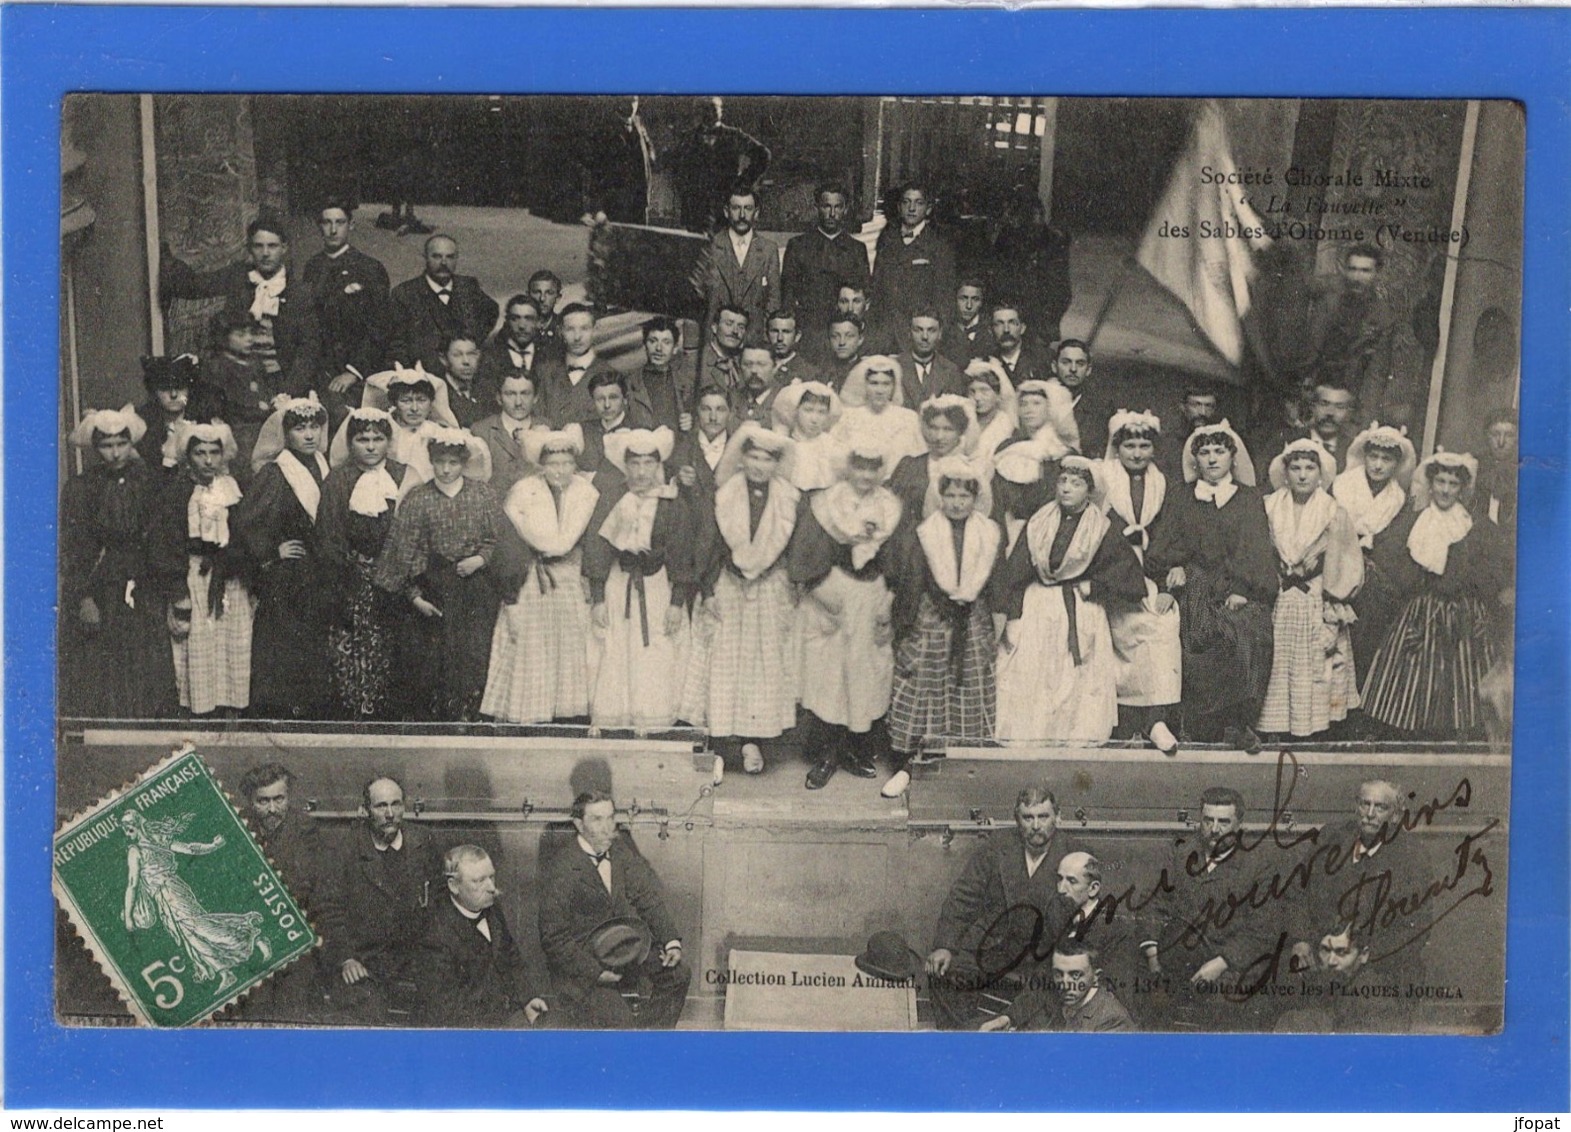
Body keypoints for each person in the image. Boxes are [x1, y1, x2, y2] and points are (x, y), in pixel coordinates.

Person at [1360, 451, 1512, 739]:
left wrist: (1472, 584)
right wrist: (1417, 582)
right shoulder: (1414, 521)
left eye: (1452, 484)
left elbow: (1494, 565)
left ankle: (1459, 733)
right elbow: (1388, 555)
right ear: (1430, 484)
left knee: (1464, 671)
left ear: (1462, 488)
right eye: (1440, 481)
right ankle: (1410, 733)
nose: (1444, 489)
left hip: (1465, 609)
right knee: (1414, 667)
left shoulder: (1475, 525)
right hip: (1423, 607)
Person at [1145, 421, 1277, 752]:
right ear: (1195, 460)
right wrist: (1172, 568)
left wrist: (1244, 589)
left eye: (1220, 451)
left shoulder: (1248, 499)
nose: (1212, 459)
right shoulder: (1182, 496)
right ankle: (1197, 726)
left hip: (1238, 585)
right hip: (1196, 582)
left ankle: (1236, 724)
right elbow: (1163, 544)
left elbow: (1257, 550)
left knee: (1244, 629)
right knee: (1196, 633)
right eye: (1204, 453)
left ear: (1233, 457)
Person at [994, 456, 1146, 741]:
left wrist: (1096, 586)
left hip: (1080, 607)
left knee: (1077, 679)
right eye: (1063, 481)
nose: (1066, 489)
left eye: (1076, 484)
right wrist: (1012, 614)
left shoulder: (1101, 527)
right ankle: (1034, 736)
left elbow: (1132, 581)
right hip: (1039, 605)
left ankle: (1074, 737)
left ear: (1090, 491)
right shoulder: (1040, 521)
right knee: (1034, 675)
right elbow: (1015, 572)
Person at [680, 424, 801, 774]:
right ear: (742, 458)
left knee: (762, 666)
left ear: (776, 463)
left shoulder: (789, 497)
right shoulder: (724, 495)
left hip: (770, 587)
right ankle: (721, 745)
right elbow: (708, 545)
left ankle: (754, 741)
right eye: (753, 457)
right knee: (724, 663)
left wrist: (791, 585)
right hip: (729, 585)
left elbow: (793, 550)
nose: (759, 465)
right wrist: (708, 590)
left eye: (767, 459)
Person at [885, 455, 1003, 797]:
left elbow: (997, 583)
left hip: (972, 618)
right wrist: (906, 626)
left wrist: (996, 622)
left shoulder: (987, 532)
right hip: (932, 616)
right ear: (940, 496)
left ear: (975, 498)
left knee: (969, 684)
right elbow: (911, 580)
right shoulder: (926, 532)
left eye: (963, 497)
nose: (956, 503)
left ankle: (964, 766)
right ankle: (912, 765)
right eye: (950, 496)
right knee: (925, 684)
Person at [789, 447, 903, 789]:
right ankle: (826, 753)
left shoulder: (891, 506)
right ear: (848, 468)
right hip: (832, 592)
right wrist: (819, 590)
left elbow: (900, 555)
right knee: (830, 676)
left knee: (865, 675)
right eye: (860, 468)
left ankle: (852, 749)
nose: (866, 477)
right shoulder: (827, 503)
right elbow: (806, 550)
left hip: (872, 594)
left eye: (873, 469)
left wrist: (891, 600)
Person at [925, 785, 1082, 1030]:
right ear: (1016, 819)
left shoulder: (1074, 855)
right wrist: (945, 944)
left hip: (1042, 957)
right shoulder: (997, 846)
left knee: (1041, 1013)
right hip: (992, 946)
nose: (1036, 825)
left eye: (1043, 816)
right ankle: (966, 1039)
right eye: (1028, 818)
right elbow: (964, 897)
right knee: (942, 975)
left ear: (1058, 817)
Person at [372, 428, 499, 721]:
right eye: (440, 462)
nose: (446, 469)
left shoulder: (483, 494)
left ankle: (469, 714)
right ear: (431, 461)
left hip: (474, 586)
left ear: (463, 463)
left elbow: (494, 538)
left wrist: (479, 560)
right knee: (430, 657)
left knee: (472, 652)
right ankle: (434, 720)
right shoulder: (419, 498)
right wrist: (415, 596)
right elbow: (405, 552)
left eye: (453, 463)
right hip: (433, 585)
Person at [537, 791, 691, 1029]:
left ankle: (649, 1042)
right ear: (579, 824)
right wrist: (595, 973)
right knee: (621, 1024)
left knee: (678, 976)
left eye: (611, 818)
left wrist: (670, 940)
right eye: (597, 820)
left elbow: (646, 897)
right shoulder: (561, 868)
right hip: (582, 967)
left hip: (621, 950)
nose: (608, 827)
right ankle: (632, 1045)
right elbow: (554, 940)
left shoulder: (619, 851)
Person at [62, 406, 178, 718]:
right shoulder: (82, 488)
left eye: (121, 444)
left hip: (145, 578)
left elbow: (162, 535)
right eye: (106, 446)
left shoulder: (148, 483)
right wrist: (84, 597)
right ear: (94, 448)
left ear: (131, 444)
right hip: (104, 580)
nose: (114, 453)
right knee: (106, 659)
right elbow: (75, 548)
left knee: (147, 657)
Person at [1140, 786, 1284, 1031]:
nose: (1214, 829)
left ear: (1239, 824)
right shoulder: (1179, 852)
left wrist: (1222, 963)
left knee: (1226, 1008)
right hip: (1174, 959)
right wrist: (1153, 958)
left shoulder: (1259, 865)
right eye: (1208, 820)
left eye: (1224, 822)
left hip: (1227, 963)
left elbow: (1262, 930)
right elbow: (1153, 903)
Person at [481, 430, 600, 725]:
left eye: (566, 464)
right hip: (534, 576)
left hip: (570, 574)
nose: (560, 471)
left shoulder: (586, 492)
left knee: (571, 643)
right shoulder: (523, 492)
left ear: (575, 465)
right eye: (553, 464)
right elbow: (511, 543)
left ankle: (568, 714)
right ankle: (531, 714)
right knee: (532, 645)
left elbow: (590, 542)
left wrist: (587, 576)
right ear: (541, 465)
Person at [585, 429, 696, 730]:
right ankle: (617, 720)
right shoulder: (614, 500)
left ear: (658, 466)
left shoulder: (672, 503)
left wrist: (676, 603)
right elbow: (598, 549)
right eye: (635, 464)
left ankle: (652, 721)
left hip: (658, 585)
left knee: (655, 652)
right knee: (617, 648)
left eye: (648, 463)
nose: (642, 471)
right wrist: (597, 598)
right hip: (619, 585)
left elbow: (682, 553)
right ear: (625, 466)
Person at [1257, 438, 1364, 740]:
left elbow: (1347, 560)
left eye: (1309, 468)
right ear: (1285, 472)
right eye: (1295, 468)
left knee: (1318, 662)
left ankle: (1313, 727)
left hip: (1316, 594)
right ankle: (1277, 726)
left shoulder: (1333, 511)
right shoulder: (1269, 506)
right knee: (1278, 660)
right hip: (1279, 595)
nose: (1302, 475)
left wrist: (1333, 597)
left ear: (1320, 474)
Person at [148, 420, 254, 717]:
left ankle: (231, 712)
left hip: (229, 579)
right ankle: (200, 715)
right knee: (197, 646)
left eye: (214, 453)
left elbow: (245, 533)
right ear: (187, 455)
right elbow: (164, 542)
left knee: (232, 646)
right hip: (194, 576)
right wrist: (177, 590)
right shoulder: (177, 492)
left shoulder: (233, 489)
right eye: (200, 453)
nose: (208, 460)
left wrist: (236, 562)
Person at [237, 395, 332, 719]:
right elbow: (247, 521)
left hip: (315, 573)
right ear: (285, 434)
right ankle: (280, 713)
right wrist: (270, 552)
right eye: (300, 429)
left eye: (314, 427)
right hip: (287, 576)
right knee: (284, 644)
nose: (309, 435)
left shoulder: (322, 465)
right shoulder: (276, 473)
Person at [160, 211, 323, 398]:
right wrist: (164, 257)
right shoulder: (238, 276)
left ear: (284, 248)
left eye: (272, 246)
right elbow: (193, 286)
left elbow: (308, 353)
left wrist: (287, 393)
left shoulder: (299, 293)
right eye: (258, 246)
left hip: (280, 382)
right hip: (238, 379)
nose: (266, 253)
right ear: (249, 249)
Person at [320, 775, 443, 1021]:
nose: (390, 814)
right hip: (364, 960)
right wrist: (346, 958)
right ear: (366, 810)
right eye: (381, 806)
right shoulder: (344, 849)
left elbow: (441, 902)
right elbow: (327, 909)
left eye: (396, 804)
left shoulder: (423, 842)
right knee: (365, 1014)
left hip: (415, 959)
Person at [317, 407, 409, 721]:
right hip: (351, 574)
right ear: (350, 442)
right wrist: (348, 571)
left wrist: (395, 571)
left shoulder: (402, 475)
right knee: (350, 642)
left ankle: (388, 713)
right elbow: (329, 532)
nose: (370, 446)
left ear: (388, 441)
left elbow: (412, 529)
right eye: (362, 439)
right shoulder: (339, 480)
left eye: (378, 438)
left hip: (397, 577)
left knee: (393, 642)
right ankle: (353, 712)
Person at [1101, 410, 1182, 754]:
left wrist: (1163, 585)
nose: (1136, 453)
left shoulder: (1161, 483)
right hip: (1109, 577)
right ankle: (1123, 722)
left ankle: (1155, 717)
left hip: (1148, 572)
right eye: (1129, 445)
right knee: (1119, 635)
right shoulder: (1103, 479)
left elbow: (1168, 536)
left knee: (1163, 624)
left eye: (1144, 445)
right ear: (1117, 448)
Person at [120, 810, 269, 996]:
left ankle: (252, 935)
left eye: (128, 827)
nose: (126, 832)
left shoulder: (138, 849)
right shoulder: (156, 840)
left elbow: (133, 884)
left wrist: (128, 916)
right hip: (163, 897)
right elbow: (190, 849)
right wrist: (213, 846)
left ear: (136, 824)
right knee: (189, 937)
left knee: (199, 926)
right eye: (125, 829)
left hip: (171, 891)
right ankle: (224, 972)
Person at [415, 845, 550, 1029]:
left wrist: (528, 999)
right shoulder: (434, 935)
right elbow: (444, 1010)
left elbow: (511, 956)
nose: (492, 888)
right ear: (454, 885)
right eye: (478, 881)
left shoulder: (491, 908)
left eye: (492, 877)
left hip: (505, 1016)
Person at [234, 762, 329, 1019]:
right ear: (250, 801)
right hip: (252, 943)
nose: (273, 809)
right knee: (254, 1014)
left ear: (289, 797)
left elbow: (313, 895)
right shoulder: (237, 828)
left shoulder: (306, 832)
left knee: (292, 1013)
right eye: (263, 801)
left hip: (296, 946)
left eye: (279, 799)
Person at [302, 199, 393, 423]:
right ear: (319, 226)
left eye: (340, 222)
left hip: (358, 367)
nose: (333, 230)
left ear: (350, 225)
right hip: (321, 367)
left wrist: (354, 371)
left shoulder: (369, 268)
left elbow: (380, 327)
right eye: (327, 223)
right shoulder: (312, 268)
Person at [1295, 243, 1402, 429]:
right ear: (1344, 270)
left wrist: (1365, 418)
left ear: (1378, 274)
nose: (1357, 278)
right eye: (1352, 269)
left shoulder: (1383, 317)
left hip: (1351, 394)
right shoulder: (1328, 300)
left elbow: (1377, 373)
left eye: (1365, 271)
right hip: (1314, 386)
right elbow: (1309, 352)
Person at [388, 234, 499, 374]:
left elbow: (491, 311)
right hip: (426, 373)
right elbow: (396, 343)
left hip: (465, 372)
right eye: (437, 256)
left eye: (450, 257)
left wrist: (472, 340)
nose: (444, 263)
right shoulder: (405, 293)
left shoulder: (468, 286)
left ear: (457, 258)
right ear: (425, 257)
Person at [870, 182, 956, 351]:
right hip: (884, 334)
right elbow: (877, 286)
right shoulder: (888, 240)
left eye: (918, 203)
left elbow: (944, 296)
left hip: (917, 336)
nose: (911, 208)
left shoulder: (938, 245)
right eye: (906, 202)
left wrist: (935, 336)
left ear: (928, 209)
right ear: (899, 207)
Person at [782, 181, 869, 342]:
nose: (832, 213)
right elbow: (787, 296)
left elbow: (862, 296)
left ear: (845, 209)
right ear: (816, 208)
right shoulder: (798, 246)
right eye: (826, 206)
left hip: (843, 335)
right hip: (808, 333)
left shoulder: (857, 249)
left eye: (838, 207)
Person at [982, 941, 1135, 1033]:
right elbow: (1027, 1004)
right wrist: (1005, 1019)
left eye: (1075, 975)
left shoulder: (1112, 1020)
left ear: (1096, 977)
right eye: (1058, 974)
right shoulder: (1051, 994)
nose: (1065, 984)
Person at [988, 188, 1073, 348]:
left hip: (1039, 322)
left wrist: (1047, 325)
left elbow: (1061, 292)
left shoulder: (1053, 243)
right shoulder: (1007, 239)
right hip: (1011, 317)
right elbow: (997, 281)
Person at [198, 309, 274, 479]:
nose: (249, 339)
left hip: (263, 428)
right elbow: (214, 409)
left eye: (250, 333)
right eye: (241, 335)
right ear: (224, 338)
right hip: (238, 432)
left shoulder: (255, 363)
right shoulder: (217, 367)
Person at [701, 182, 778, 344]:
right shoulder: (710, 247)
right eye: (736, 208)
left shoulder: (769, 250)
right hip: (716, 343)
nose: (742, 215)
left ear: (756, 213)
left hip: (754, 344)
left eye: (748, 209)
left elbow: (773, 301)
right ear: (726, 212)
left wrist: (762, 340)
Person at [359, 363, 460, 485]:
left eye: (421, 400)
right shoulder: (383, 433)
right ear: (394, 403)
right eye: (406, 401)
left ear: (431, 403)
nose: (414, 408)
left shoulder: (440, 434)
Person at [832, 356, 927, 479]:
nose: (880, 390)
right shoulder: (848, 417)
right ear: (864, 384)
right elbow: (836, 460)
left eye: (886, 384)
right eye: (874, 383)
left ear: (894, 386)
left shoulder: (908, 418)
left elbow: (919, 462)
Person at [535, 303, 617, 429]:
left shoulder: (610, 374)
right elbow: (536, 418)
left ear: (595, 330)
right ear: (560, 331)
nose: (577, 337)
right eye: (570, 329)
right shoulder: (544, 373)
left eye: (584, 328)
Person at [472, 371, 548, 496]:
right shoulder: (481, 431)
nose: (518, 402)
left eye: (525, 393)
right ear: (499, 398)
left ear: (535, 397)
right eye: (510, 394)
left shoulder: (548, 427)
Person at [135, 354, 213, 473]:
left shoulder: (203, 423)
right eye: (165, 388)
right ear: (154, 391)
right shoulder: (143, 427)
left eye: (180, 388)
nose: (173, 395)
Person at [577, 371, 654, 481]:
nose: (607, 405)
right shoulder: (582, 430)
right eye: (600, 399)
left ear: (625, 399)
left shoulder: (640, 433)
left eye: (613, 398)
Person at [771, 381, 847, 494]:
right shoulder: (785, 442)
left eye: (821, 412)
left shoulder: (832, 446)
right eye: (808, 410)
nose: (814, 419)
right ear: (795, 411)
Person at [669, 385, 733, 506]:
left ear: (730, 414)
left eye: (720, 410)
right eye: (706, 409)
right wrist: (677, 479)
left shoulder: (738, 449)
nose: (713, 417)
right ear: (697, 412)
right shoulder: (681, 447)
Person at [633, 316, 695, 435]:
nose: (659, 348)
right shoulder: (629, 383)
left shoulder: (687, 383)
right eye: (653, 341)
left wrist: (692, 422)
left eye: (666, 342)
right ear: (644, 345)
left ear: (675, 348)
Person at [895, 308, 967, 409]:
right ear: (909, 333)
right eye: (918, 330)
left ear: (940, 334)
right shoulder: (894, 367)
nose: (925, 337)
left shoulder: (951, 371)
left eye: (931, 330)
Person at [1052, 339, 1111, 459]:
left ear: (1088, 370)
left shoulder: (1101, 409)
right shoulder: (1041, 402)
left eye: (1080, 363)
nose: (1073, 369)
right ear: (1054, 366)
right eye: (1066, 362)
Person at [478, 294, 548, 393]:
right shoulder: (490, 358)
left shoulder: (550, 355)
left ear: (539, 322)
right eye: (515, 318)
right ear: (507, 321)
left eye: (528, 318)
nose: (522, 326)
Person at [1154, 383, 1221, 485]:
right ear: (1183, 407)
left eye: (1208, 406)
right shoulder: (1167, 442)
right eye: (1196, 405)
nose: (1202, 412)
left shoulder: (1223, 442)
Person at [985, 301, 1054, 389]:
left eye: (1012, 323)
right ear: (990, 331)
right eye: (999, 324)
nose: (1006, 330)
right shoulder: (984, 363)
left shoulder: (1044, 359)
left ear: (1022, 328)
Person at [1476, 407, 1518, 532]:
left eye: (1509, 435)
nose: (1501, 442)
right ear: (1486, 436)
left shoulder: (1524, 472)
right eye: (1495, 434)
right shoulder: (1474, 466)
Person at [967, 357, 1019, 459]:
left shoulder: (1008, 427)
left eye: (984, 391)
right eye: (972, 392)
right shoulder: (966, 421)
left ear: (998, 395)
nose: (977, 397)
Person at [438, 333, 489, 428]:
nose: (466, 361)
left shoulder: (487, 390)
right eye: (457, 355)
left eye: (471, 354)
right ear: (443, 359)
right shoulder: (438, 394)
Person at [697, 304, 748, 398]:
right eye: (729, 324)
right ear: (714, 328)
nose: (735, 331)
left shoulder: (745, 365)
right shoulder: (696, 362)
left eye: (741, 327)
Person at [763, 308, 824, 387]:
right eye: (775, 331)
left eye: (786, 332)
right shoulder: (757, 368)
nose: (780, 338)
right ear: (767, 335)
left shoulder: (810, 373)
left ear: (797, 336)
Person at [944, 278, 997, 366]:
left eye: (975, 299)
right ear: (955, 300)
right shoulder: (944, 332)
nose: (969, 305)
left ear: (982, 302)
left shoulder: (992, 331)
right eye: (963, 298)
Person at [823, 312, 869, 391]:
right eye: (835, 336)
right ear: (828, 340)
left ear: (860, 339)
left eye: (849, 336)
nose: (842, 342)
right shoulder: (820, 373)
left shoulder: (867, 372)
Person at [527, 270, 567, 357]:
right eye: (537, 292)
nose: (542, 298)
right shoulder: (518, 328)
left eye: (549, 293)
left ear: (558, 298)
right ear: (528, 295)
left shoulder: (565, 326)